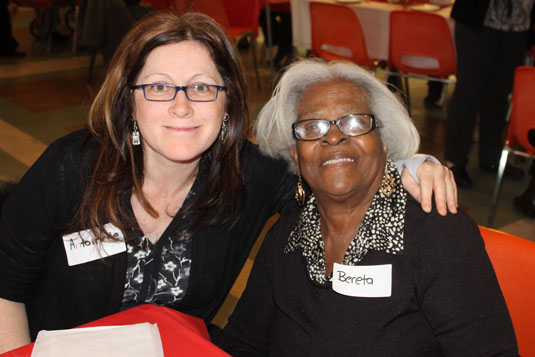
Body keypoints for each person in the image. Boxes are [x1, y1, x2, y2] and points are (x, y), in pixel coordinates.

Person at [0, 11, 457, 353]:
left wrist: (411, 163)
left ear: (227, 105)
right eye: (159, 87)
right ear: (129, 102)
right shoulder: (73, 167)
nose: (182, 106)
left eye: (202, 87)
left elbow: (335, 171)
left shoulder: (249, 175)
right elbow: (5, 289)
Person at [212, 59, 517, 356]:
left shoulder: (436, 235)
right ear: (295, 154)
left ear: (383, 142)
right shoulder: (287, 232)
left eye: (355, 121)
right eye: (312, 126)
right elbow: (242, 340)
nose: (333, 136)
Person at [445, 0, 534, 188]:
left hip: (519, 22)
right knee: (468, 90)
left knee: (500, 94)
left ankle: (491, 157)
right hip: (478, 19)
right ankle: (455, 161)